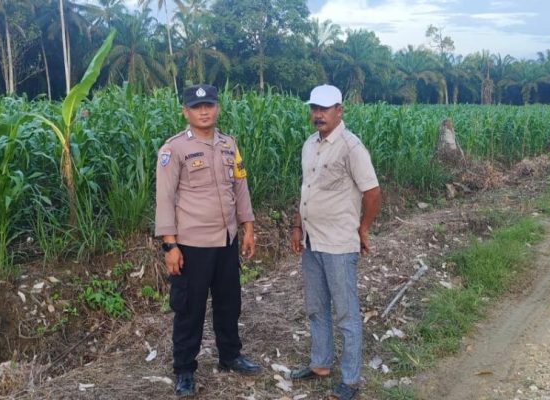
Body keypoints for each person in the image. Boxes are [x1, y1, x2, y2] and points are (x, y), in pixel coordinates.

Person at [155, 84, 262, 397]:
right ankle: (184, 370)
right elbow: (164, 199)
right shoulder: (173, 149)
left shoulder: (229, 144)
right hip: (192, 244)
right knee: (190, 309)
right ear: (185, 111)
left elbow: (240, 187)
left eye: (210, 105)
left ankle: (230, 355)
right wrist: (170, 245)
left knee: (230, 303)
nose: (204, 111)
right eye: (197, 106)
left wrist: (248, 227)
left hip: (226, 239)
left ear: (217, 107)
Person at [288, 84, 381, 400]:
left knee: (345, 312)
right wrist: (298, 227)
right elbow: (307, 189)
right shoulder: (309, 145)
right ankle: (320, 365)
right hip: (313, 240)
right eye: (314, 108)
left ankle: (351, 379)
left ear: (339, 110)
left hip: (340, 243)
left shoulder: (351, 147)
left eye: (324, 109)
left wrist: (363, 229)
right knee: (316, 307)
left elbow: (372, 192)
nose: (318, 115)